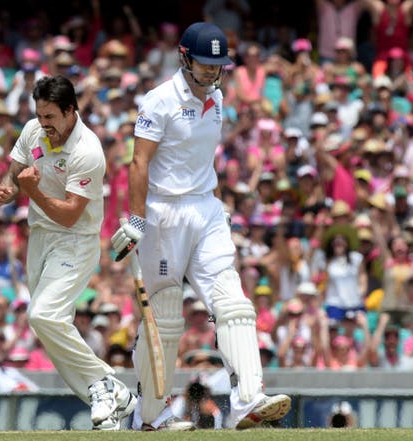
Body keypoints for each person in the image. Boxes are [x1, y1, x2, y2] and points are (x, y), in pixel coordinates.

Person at [111, 22, 291, 431]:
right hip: (164, 213)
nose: (211, 73)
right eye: (205, 65)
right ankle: (149, 417)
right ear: (184, 57)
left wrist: (211, 203)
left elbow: (199, 158)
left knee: (233, 302)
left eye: (217, 66)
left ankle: (248, 400)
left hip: (206, 208)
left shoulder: (219, 98)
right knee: (166, 315)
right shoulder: (158, 101)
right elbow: (138, 162)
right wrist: (137, 218)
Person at [0, 75, 136, 431]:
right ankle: (113, 395)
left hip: (75, 239)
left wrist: (32, 193)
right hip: (39, 237)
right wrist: (10, 189)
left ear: (71, 111)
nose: (44, 125)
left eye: (50, 117)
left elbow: (71, 214)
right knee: (49, 326)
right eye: (40, 116)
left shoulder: (88, 150)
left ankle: (103, 383)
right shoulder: (33, 130)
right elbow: (17, 169)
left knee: (42, 316)